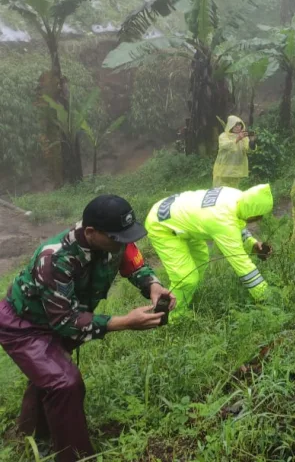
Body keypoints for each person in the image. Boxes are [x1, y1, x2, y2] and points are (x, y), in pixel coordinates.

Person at [0, 195, 175, 462]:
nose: (124, 242)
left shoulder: (115, 240)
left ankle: (28, 435)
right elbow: (67, 322)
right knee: (65, 382)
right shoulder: (55, 258)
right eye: (117, 238)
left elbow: (134, 264)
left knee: (48, 374)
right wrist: (126, 322)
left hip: (61, 314)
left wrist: (152, 285)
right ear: (91, 232)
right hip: (25, 323)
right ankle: (75, 456)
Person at [145, 184, 274, 314]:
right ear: (252, 212)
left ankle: (188, 298)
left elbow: (237, 222)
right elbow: (242, 265)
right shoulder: (222, 221)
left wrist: (252, 243)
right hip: (161, 225)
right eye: (257, 217)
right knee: (185, 277)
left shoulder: (237, 196)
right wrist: (265, 297)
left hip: (176, 214)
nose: (257, 220)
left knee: (200, 260)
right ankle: (170, 318)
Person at [213, 115, 256, 188]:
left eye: (239, 125)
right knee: (219, 192)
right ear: (230, 125)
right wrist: (238, 139)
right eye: (235, 125)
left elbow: (248, 150)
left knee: (233, 193)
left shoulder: (243, 138)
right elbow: (225, 145)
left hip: (236, 172)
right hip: (223, 171)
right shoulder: (224, 136)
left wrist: (252, 141)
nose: (237, 127)